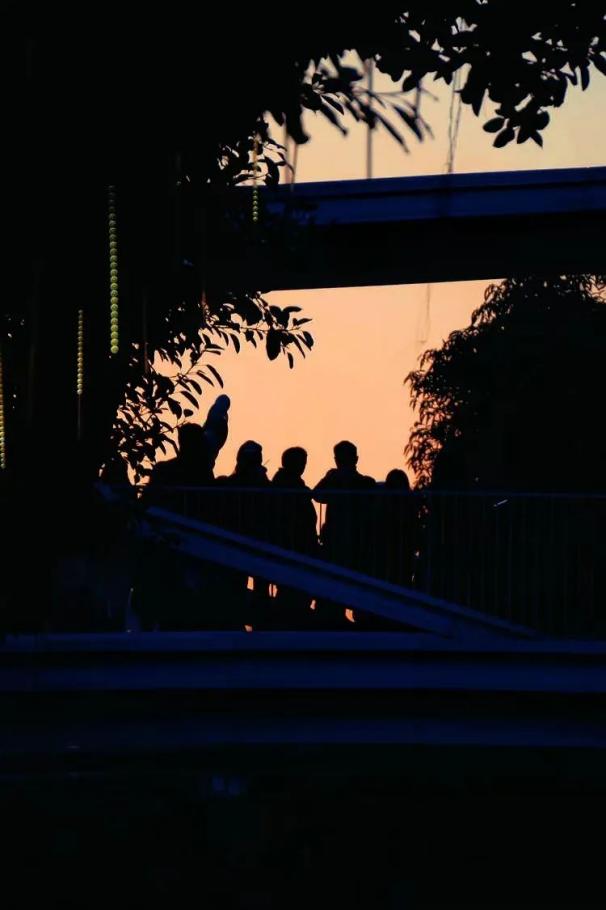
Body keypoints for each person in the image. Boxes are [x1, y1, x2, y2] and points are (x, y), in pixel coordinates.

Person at [270, 447, 319, 629]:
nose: (303, 466)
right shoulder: (288, 485)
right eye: (301, 462)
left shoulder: (288, 484)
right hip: (295, 545)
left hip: (298, 544)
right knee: (293, 588)